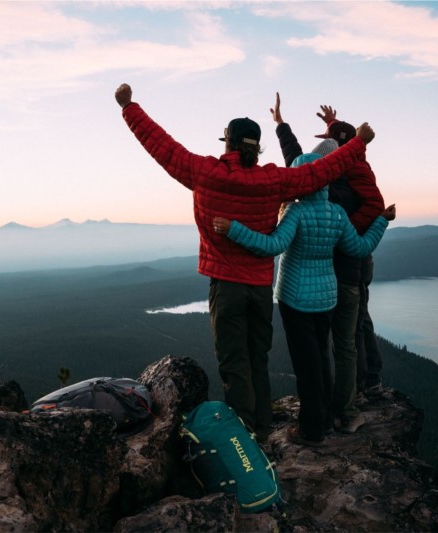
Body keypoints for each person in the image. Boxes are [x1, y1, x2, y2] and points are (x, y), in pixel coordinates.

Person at [114, 83, 376, 441]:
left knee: (234, 363)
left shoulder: (205, 173)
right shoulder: (273, 181)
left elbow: (162, 147)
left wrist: (129, 107)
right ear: (257, 146)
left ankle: (246, 435)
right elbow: (318, 173)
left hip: (226, 286)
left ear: (228, 143)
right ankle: (265, 428)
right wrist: (357, 142)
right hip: (260, 288)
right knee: (258, 359)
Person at [213, 152, 395, 446]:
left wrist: (233, 228)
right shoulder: (336, 213)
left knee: (306, 364)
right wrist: (381, 222)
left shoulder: (296, 212)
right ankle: (323, 419)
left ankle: (311, 430)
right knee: (321, 357)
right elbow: (360, 248)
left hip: (295, 298)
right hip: (327, 297)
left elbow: (272, 245)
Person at [270, 93, 385, 433]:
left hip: (344, 272)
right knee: (342, 342)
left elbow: (300, 162)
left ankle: (340, 409)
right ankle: (345, 408)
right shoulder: (338, 182)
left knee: (337, 344)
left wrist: (346, 232)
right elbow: (300, 156)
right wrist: (281, 125)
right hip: (338, 275)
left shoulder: (338, 187)